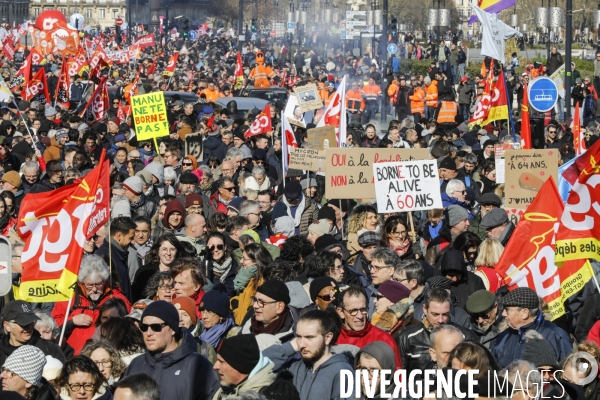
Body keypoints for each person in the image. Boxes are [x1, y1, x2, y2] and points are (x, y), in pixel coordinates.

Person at [124, 301, 219, 400]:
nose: (148, 333)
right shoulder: (137, 364)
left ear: (173, 329)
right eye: (144, 327)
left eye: (156, 327)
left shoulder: (197, 365)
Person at [263, 309, 355, 400]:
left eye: (309, 337)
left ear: (327, 337)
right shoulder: (295, 366)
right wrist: (290, 346)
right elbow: (259, 366)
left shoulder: (342, 371)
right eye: (299, 336)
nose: (302, 344)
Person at [52, 255, 130, 354]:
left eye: (98, 284)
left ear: (105, 280)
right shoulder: (69, 297)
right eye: (90, 285)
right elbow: (53, 324)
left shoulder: (117, 299)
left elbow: (129, 328)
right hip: (74, 357)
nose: (94, 289)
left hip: (107, 355)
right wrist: (72, 321)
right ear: (82, 282)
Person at [396, 288, 476, 373]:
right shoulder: (407, 338)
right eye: (435, 314)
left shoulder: (466, 337)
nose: (440, 320)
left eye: (445, 314)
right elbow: (399, 376)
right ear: (425, 309)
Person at [491, 287, 573, 368]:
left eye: (507, 310)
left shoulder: (555, 335)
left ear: (525, 313)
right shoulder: (503, 337)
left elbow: (567, 372)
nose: (503, 314)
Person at [334, 285, 402, 369]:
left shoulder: (384, 339)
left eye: (363, 310)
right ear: (340, 312)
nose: (360, 316)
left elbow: (397, 376)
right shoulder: (332, 339)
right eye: (353, 311)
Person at [0, 301, 66, 366]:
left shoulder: (49, 348)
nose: (29, 327)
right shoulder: (1, 351)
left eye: (31, 322)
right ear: (7, 326)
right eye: (24, 323)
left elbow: (64, 374)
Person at [212, 334, 276, 398]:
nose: (215, 366)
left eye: (221, 362)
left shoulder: (262, 396)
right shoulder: (227, 387)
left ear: (240, 366)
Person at [239, 279, 295, 343]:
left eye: (262, 302)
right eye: (255, 300)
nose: (255, 305)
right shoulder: (249, 324)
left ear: (280, 307)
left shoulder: (293, 337)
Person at [96, 216, 137, 302]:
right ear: (119, 235)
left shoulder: (118, 253)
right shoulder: (104, 256)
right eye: (130, 238)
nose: (133, 242)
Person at [199, 286, 237, 350]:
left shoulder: (232, 338)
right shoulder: (197, 330)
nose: (204, 316)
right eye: (202, 311)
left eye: (210, 312)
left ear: (221, 316)